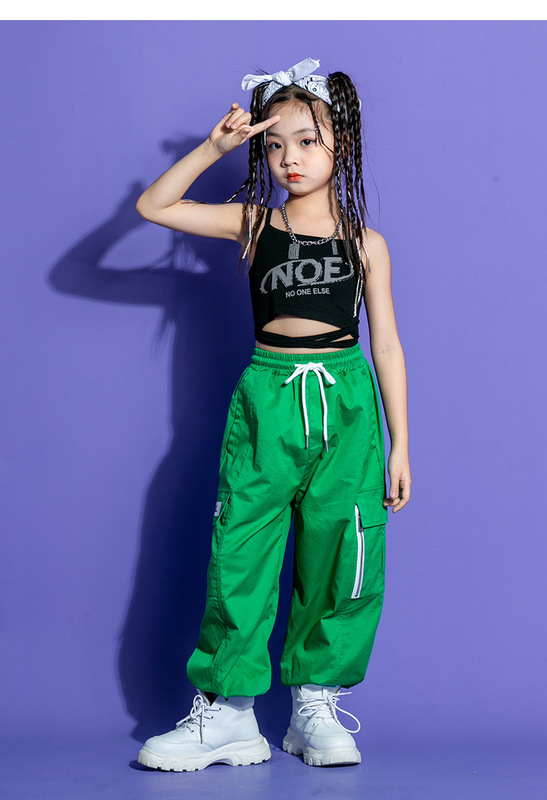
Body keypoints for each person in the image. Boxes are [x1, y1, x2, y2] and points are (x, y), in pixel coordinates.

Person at [134, 57, 410, 772]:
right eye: (276, 144)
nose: (290, 157)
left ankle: (314, 705)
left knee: (344, 550)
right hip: (268, 399)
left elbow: (385, 343)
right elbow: (155, 207)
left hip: (347, 403)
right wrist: (213, 148)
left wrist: (400, 444)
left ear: (341, 144)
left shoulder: (365, 243)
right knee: (241, 550)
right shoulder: (254, 223)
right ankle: (229, 713)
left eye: (308, 141)